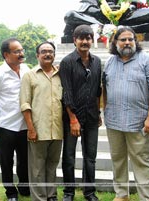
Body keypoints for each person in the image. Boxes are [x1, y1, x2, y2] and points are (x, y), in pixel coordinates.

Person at [102, 26, 149, 201]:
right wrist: (105, 109)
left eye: (131, 39)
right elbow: (105, 87)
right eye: (123, 39)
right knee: (117, 160)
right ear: (116, 42)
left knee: (142, 162)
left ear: (136, 41)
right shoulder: (110, 62)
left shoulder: (147, 60)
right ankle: (121, 194)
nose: (128, 42)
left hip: (138, 121)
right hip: (114, 122)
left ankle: (147, 197)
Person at [59, 24, 102, 201]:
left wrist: (98, 113)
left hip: (91, 117)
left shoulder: (97, 62)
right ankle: (69, 192)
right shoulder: (67, 62)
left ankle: (89, 192)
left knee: (90, 157)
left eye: (88, 38)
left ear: (92, 40)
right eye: (81, 38)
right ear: (74, 40)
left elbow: (97, 90)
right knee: (69, 156)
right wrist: (73, 119)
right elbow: (66, 92)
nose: (84, 41)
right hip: (72, 118)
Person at [0, 38, 30, 201]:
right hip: (4, 126)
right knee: (6, 162)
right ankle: (10, 192)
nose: (21, 54)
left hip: (25, 125)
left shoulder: (26, 69)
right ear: (6, 54)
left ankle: (24, 188)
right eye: (17, 51)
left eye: (21, 50)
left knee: (24, 160)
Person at [20, 41, 63, 201]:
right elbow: (25, 104)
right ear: (37, 55)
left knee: (52, 165)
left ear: (54, 55)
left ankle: (51, 195)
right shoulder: (29, 76)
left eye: (50, 51)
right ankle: (39, 197)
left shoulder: (60, 75)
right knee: (37, 168)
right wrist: (30, 128)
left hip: (57, 130)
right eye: (44, 51)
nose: (47, 54)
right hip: (38, 129)